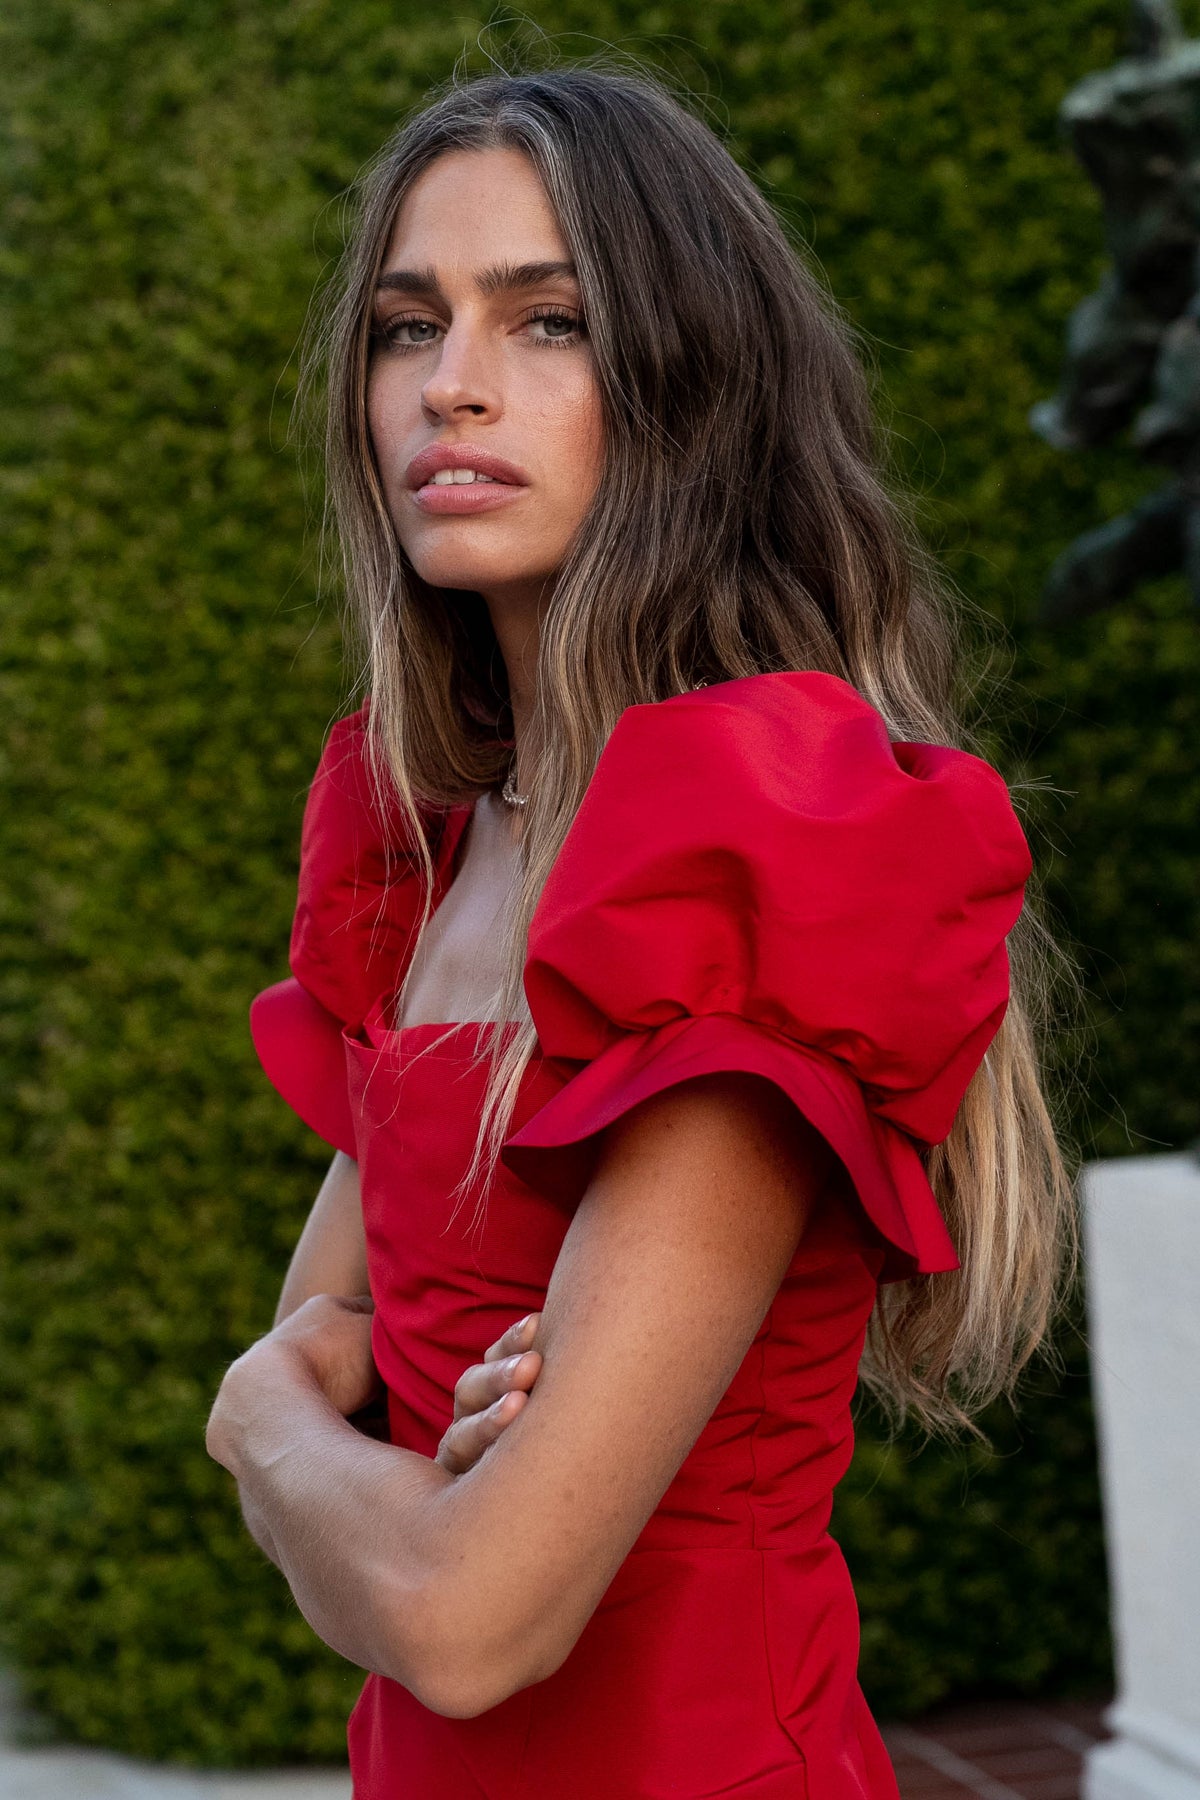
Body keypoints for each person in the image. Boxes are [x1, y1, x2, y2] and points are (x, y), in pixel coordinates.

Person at [205, 60, 1073, 1800]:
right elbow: (346, 1372)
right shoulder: (438, 841)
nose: (449, 384)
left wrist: (255, 1425)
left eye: (550, 323)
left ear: (691, 383)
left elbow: (457, 1610)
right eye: (406, 326)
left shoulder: (747, 851)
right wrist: (325, 1445)